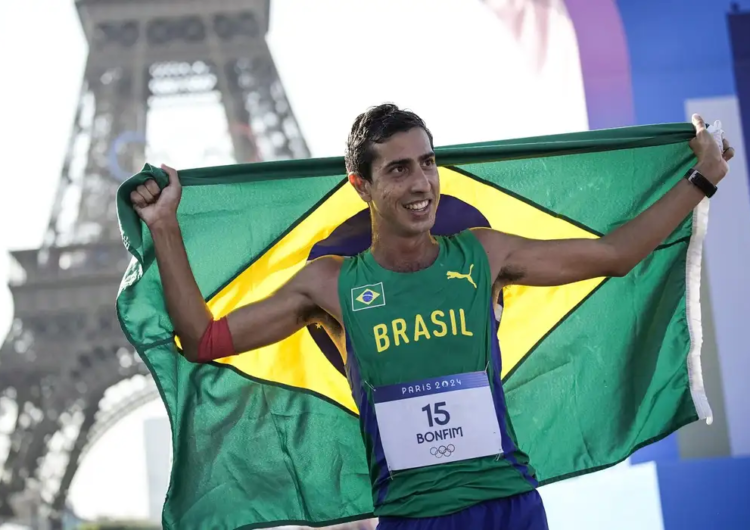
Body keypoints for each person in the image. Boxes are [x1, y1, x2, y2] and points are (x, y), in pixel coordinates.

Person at [130, 105, 734, 530]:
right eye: (399, 169)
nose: (422, 183)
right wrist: (164, 227)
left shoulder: (484, 253)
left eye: (427, 162)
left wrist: (701, 178)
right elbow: (204, 339)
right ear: (360, 185)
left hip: (508, 505)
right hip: (413, 518)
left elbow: (617, 255)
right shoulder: (331, 285)